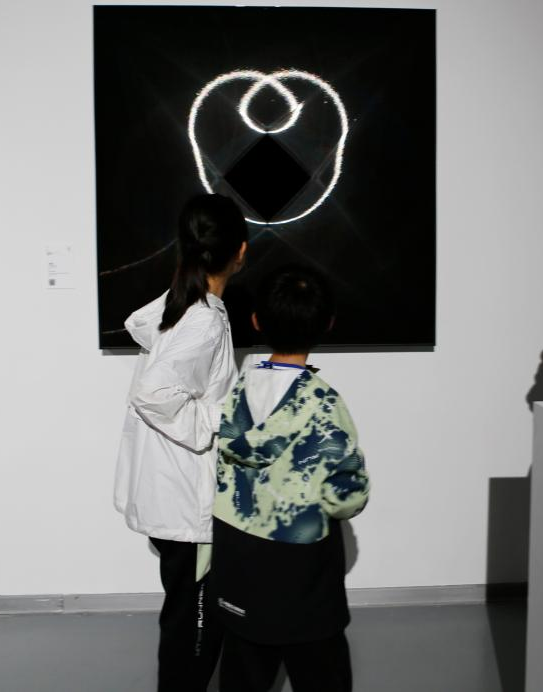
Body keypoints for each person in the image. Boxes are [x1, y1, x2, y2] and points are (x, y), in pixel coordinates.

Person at [208, 265, 371, 692]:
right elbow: (345, 497)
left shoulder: (238, 391)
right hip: (300, 567)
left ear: (256, 321)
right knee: (321, 670)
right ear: (327, 324)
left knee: (243, 670)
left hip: (237, 553)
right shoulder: (323, 404)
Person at [113, 193, 249, 692]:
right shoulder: (204, 319)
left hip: (170, 491)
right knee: (194, 627)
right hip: (186, 500)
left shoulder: (184, 307)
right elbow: (154, 394)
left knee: (183, 617)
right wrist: (224, 417)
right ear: (241, 250)